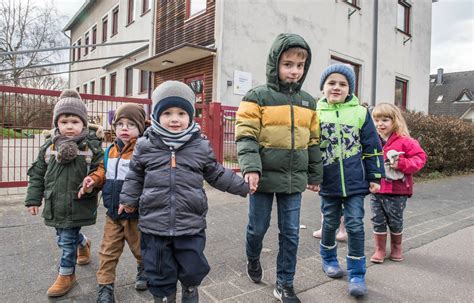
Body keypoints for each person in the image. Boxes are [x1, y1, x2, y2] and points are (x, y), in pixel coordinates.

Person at [119, 81, 249, 303]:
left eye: (181, 113)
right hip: (155, 223)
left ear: (190, 116)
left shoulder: (199, 146)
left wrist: (242, 186)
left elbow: (216, 173)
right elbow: (135, 175)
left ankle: (190, 290)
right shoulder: (145, 145)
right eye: (167, 113)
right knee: (159, 269)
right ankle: (164, 296)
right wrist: (128, 199)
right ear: (157, 116)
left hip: (190, 222)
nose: (175, 119)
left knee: (192, 264)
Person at [235, 33, 323, 303]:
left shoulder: (309, 102)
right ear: (275, 64)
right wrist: (250, 168)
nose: (294, 71)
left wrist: (315, 174)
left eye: (299, 65)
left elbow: (314, 141)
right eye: (288, 64)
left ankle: (285, 283)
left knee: (291, 233)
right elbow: (246, 134)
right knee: (257, 228)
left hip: (293, 180)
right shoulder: (257, 96)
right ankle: (253, 258)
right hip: (261, 178)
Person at [24, 89, 103, 297]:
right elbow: (37, 174)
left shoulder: (91, 147)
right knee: (63, 234)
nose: (69, 126)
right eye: (64, 121)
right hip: (54, 202)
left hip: (78, 201)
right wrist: (33, 199)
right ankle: (84, 243)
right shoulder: (48, 148)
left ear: (84, 124)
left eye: (75, 121)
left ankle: (66, 274)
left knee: (66, 240)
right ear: (56, 124)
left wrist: (92, 181)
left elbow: (100, 170)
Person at [316, 64, 385, 297]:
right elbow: (310, 149)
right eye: (332, 83)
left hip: (356, 182)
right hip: (329, 181)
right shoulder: (315, 114)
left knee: (355, 224)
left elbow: (372, 146)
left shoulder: (361, 113)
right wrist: (312, 177)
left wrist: (375, 175)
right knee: (330, 223)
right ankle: (328, 258)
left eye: (343, 84)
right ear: (323, 87)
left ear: (350, 89)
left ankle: (357, 273)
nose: (337, 87)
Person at [78, 103, 149, 302]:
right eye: (120, 124)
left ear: (141, 129)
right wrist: (93, 179)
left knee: (141, 250)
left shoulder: (143, 152)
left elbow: (150, 182)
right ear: (114, 127)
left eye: (131, 125)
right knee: (107, 253)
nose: (124, 128)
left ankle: (144, 270)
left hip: (135, 216)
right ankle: (105, 287)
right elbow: (102, 170)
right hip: (113, 214)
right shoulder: (110, 150)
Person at [369, 103, 427, 263]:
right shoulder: (373, 141)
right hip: (377, 189)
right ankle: (380, 249)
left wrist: (401, 164)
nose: (380, 124)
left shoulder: (406, 141)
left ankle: (396, 247)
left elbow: (420, 158)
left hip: (397, 190)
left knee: (395, 220)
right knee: (377, 219)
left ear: (395, 121)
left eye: (385, 120)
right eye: (376, 120)